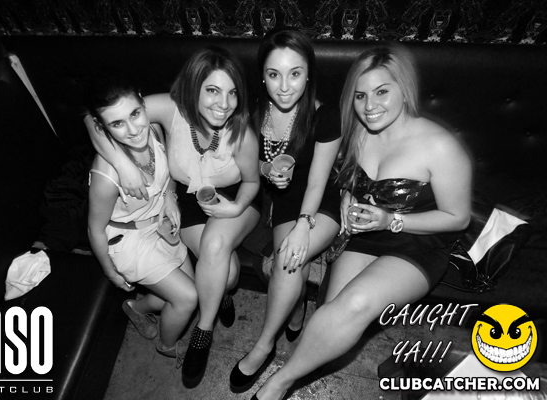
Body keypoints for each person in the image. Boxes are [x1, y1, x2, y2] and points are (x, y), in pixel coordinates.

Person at [250, 46, 472, 400]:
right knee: (330, 315)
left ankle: (279, 383)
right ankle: (293, 360)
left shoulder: (440, 146)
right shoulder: (358, 131)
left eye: (382, 92)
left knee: (354, 305)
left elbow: (458, 218)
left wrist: (391, 220)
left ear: (404, 90)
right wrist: (346, 195)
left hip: (417, 244)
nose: (370, 106)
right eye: (360, 95)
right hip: (364, 235)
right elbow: (341, 174)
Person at [85, 47, 260, 388]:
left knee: (215, 248)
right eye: (212, 90)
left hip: (236, 200)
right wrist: (121, 164)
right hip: (190, 204)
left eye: (232, 92)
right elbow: (96, 117)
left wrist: (236, 207)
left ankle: (203, 330)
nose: (224, 104)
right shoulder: (168, 110)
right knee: (226, 273)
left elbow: (253, 183)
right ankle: (219, 293)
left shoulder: (241, 133)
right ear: (194, 88)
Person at [229, 27, 342, 393]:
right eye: (274, 74)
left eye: (295, 73)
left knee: (290, 259)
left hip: (321, 204)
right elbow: (251, 163)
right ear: (263, 76)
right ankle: (296, 307)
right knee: (292, 263)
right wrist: (268, 171)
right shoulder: (255, 113)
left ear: (308, 74)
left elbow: (318, 183)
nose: (284, 86)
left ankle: (263, 346)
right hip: (283, 204)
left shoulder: (326, 116)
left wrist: (304, 226)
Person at [85, 74, 197, 365]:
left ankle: (135, 308)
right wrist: (110, 273)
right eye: (117, 124)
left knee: (185, 289)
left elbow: (169, 174)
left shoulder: (155, 130)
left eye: (135, 114)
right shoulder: (106, 176)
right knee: (187, 298)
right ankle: (167, 345)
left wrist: (170, 196)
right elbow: (95, 229)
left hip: (160, 224)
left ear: (143, 103)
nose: (133, 130)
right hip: (129, 241)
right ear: (102, 127)